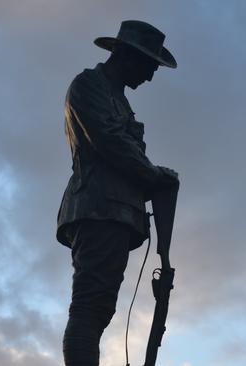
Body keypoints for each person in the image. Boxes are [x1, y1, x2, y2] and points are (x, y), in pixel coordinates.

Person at [56, 20, 179, 365]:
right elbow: (109, 141)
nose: (151, 77)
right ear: (125, 55)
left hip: (116, 212)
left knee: (99, 309)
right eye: (149, 66)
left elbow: (124, 147)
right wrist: (152, 174)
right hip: (99, 206)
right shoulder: (89, 85)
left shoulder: (119, 99)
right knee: (90, 306)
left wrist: (154, 174)